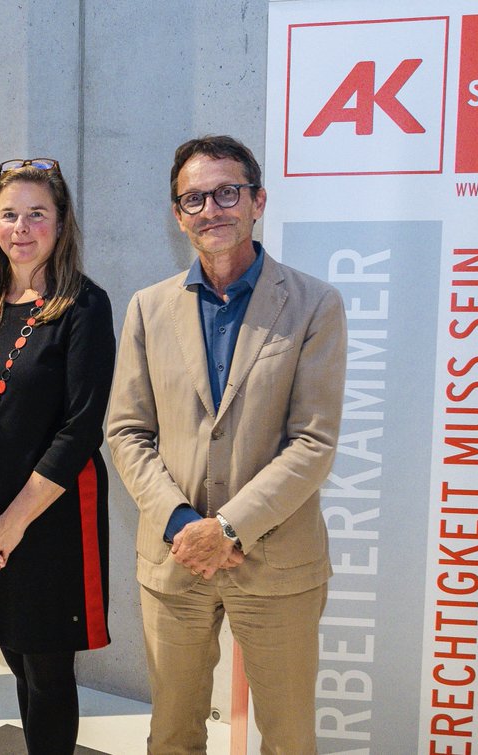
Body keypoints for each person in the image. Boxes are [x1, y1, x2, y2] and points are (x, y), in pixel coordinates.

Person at [106, 135, 347, 754]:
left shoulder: (315, 304)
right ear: (177, 213)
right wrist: (185, 524)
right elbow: (127, 432)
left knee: (289, 739)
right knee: (172, 736)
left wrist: (230, 528)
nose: (211, 209)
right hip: (175, 558)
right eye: (193, 198)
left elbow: (313, 442)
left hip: (277, 564)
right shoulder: (148, 307)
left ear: (257, 200)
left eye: (226, 192)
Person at [0, 158, 116, 754]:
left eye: (37, 214)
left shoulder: (84, 307)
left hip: (51, 519)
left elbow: (80, 430)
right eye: (9, 214)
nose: (21, 226)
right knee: (15, 654)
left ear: (61, 224)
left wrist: (13, 523)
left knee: (48, 669)